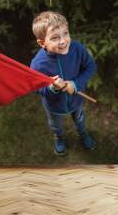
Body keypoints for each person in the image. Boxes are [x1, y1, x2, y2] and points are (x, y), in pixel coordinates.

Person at [30, 11, 97, 155]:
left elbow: (91, 67)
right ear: (42, 43)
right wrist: (52, 88)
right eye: (55, 37)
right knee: (55, 125)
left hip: (76, 99)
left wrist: (76, 84)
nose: (63, 41)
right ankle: (59, 137)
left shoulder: (77, 48)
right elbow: (35, 88)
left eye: (66, 33)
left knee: (79, 119)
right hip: (54, 105)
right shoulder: (38, 64)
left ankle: (83, 133)